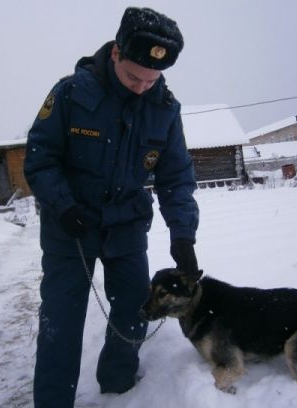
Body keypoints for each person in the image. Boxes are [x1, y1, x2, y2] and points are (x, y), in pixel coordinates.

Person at [24, 7, 200, 408]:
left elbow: (176, 178)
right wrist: (64, 206)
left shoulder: (164, 110)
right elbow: (40, 157)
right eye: (134, 76)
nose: (142, 87)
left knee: (136, 312)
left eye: (151, 79)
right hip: (70, 228)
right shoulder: (71, 93)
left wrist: (183, 235)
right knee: (61, 325)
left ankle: (118, 390)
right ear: (116, 53)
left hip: (126, 225)